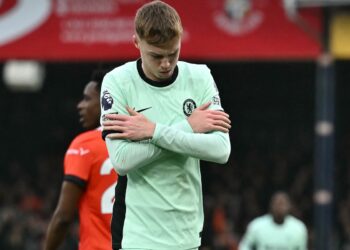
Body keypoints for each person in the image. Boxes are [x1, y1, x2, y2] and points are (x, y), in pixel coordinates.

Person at [100, 1, 231, 249]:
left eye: (173, 53)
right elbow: (122, 161)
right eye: (156, 55)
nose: (166, 64)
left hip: (187, 234)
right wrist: (188, 127)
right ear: (136, 43)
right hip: (137, 236)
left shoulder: (200, 76)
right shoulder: (117, 83)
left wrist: (154, 131)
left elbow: (220, 150)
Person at [44, 69, 118, 250]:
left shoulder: (84, 145)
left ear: (105, 102)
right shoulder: (141, 141)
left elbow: (63, 217)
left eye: (87, 99)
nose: (80, 105)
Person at [238, 191, 308, 250]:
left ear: (289, 206)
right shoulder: (256, 226)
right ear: (271, 205)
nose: (280, 207)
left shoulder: (299, 228)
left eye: (283, 204)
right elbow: (244, 247)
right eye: (277, 204)